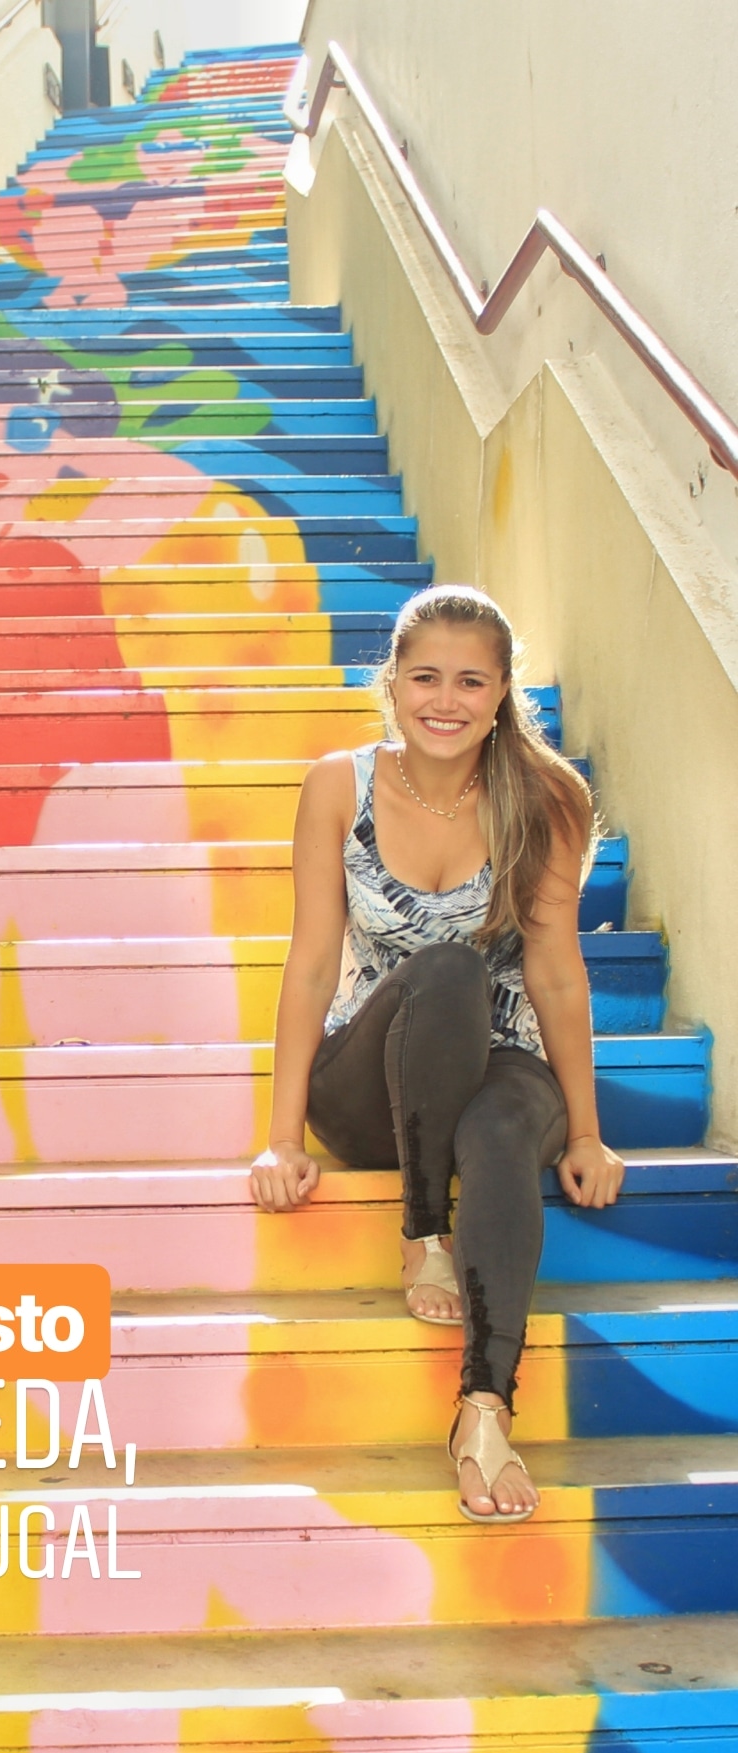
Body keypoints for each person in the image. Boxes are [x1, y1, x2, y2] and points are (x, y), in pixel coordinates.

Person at [250, 585, 625, 1522]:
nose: (445, 701)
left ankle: (485, 1411)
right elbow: (310, 963)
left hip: (503, 1062)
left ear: (501, 694)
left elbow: (557, 975)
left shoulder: (545, 796)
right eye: (425, 678)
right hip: (372, 1084)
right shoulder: (338, 786)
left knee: (499, 1130)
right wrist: (281, 1137)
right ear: (391, 683)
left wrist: (586, 1133)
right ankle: (424, 1232)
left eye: (470, 681)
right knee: (448, 969)